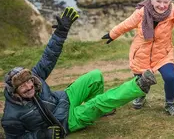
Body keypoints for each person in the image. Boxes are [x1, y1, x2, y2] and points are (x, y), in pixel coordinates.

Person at [1, 7, 157, 139]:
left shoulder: (36, 77)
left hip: (65, 98)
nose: (29, 86)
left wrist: (61, 32)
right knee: (97, 103)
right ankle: (139, 85)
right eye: (22, 86)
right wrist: (43, 134)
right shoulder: (10, 116)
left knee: (95, 76)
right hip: (65, 121)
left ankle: (99, 110)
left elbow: (49, 56)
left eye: (28, 81)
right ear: (15, 92)